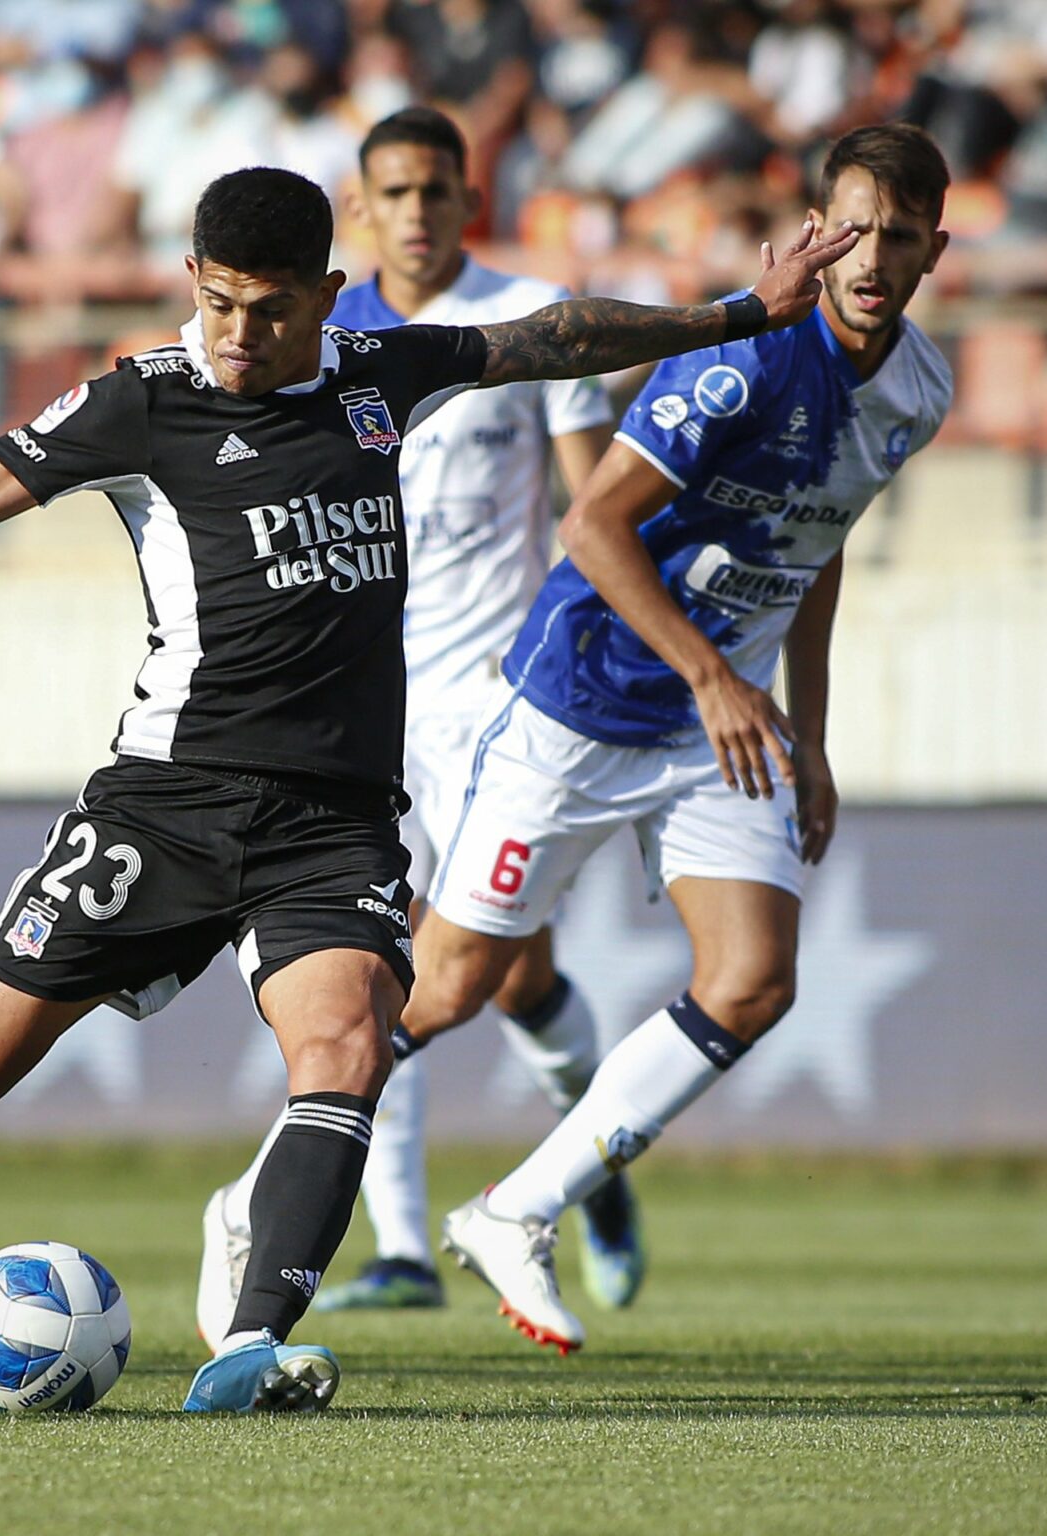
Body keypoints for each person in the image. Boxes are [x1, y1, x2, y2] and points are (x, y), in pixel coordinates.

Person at [0, 164, 856, 1413]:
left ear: (329, 297)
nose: (236, 334)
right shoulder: (142, 403)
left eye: (267, 309)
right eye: (217, 302)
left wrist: (737, 317)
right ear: (192, 287)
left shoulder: (381, 376)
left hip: (330, 825)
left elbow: (552, 339)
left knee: (347, 1045)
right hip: (167, 804)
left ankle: (249, 1346)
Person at [398, 123, 952, 1353]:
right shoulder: (741, 359)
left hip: (729, 717)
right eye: (853, 230)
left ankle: (517, 1211)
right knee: (444, 990)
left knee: (753, 980)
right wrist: (707, 673)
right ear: (820, 231)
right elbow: (591, 527)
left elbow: (820, 543)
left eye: (899, 238)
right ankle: (257, 1203)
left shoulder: (923, 389)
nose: (871, 259)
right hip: (585, 700)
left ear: (933, 253)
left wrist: (809, 737)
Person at [196, 106, 641, 1340]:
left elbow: (592, 502)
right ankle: (399, 1243)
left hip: (499, 702)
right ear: (366, 204)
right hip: (363, 712)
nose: (419, 209)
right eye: (394, 190)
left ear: (466, 195)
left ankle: (589, 1174)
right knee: (377, 978)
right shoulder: (310, 340)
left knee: (505, 976)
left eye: (437, 188)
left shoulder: (523, 313)